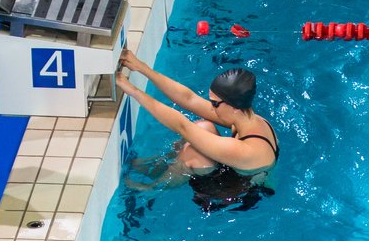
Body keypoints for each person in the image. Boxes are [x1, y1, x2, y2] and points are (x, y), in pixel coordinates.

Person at [115, 52, 276, 210]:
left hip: (236, 193)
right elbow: (190, 99)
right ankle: (157, 165)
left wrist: (134, 91)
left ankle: (152, 188)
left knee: (194, 153)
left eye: (215, 104)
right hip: (236, 170)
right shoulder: (249, 118)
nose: (211, 107)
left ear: (233, 107)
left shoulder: (243, 150)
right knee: (203, 127)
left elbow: (182, 126)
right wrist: (142, 68)